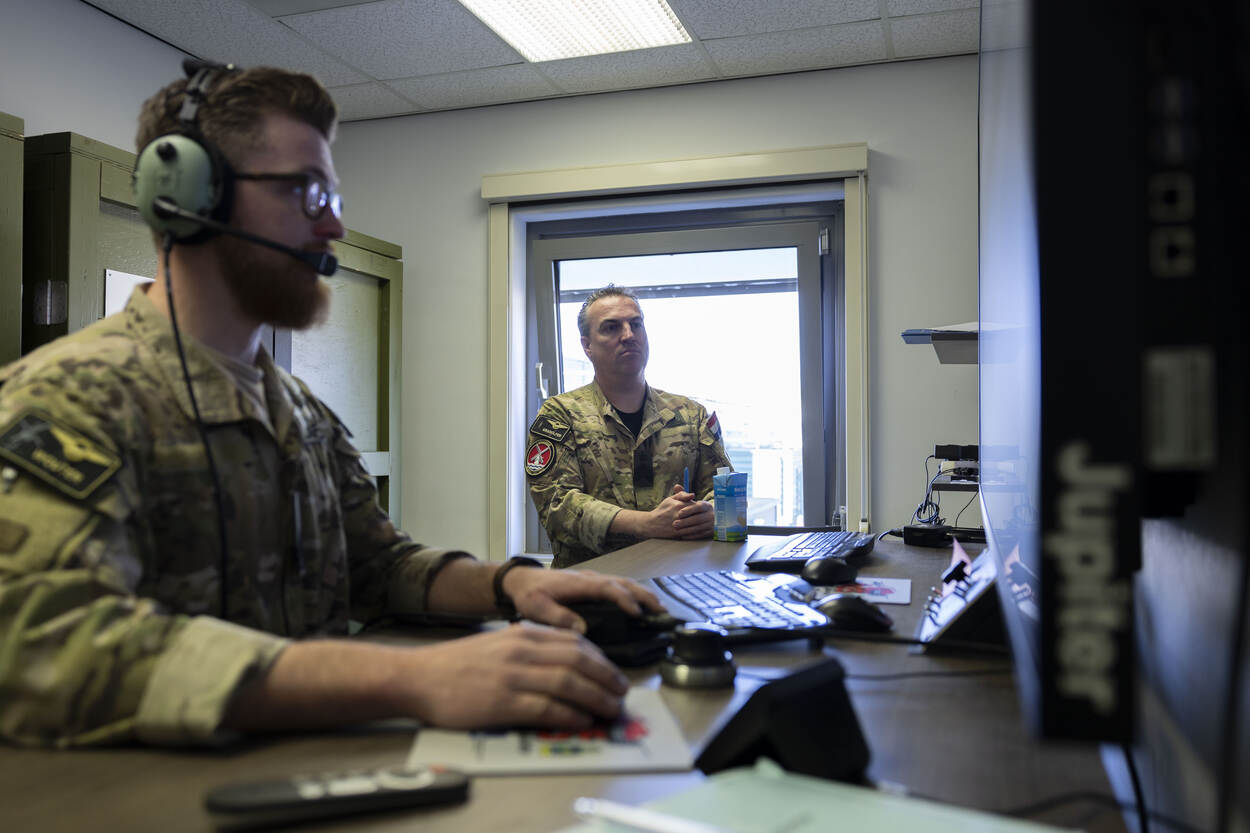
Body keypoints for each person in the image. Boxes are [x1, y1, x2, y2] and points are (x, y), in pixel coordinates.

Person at [0, 63, 661, 749]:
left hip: (298, 780)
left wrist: (513, 585)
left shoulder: (300, 414)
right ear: (192, 197)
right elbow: (38, 641)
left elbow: (379, 564)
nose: (336, 223)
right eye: (309, 192)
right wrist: (408, 678)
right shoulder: (68, 399)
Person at [527, 286, 733, 568]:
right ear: (587, 346)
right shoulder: (560, 416)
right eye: (611, 328)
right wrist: (646, 524)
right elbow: (557, 506)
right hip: (592, 586)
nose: (628, 335)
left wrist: (710, 512)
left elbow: (726, 488)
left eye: (635, 324)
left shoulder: (689, 414)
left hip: (680, 577)